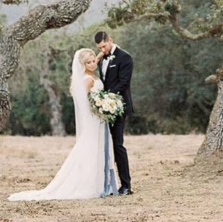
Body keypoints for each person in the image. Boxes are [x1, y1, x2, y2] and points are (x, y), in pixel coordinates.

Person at [8, 48, 119, 201]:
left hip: (99, 120)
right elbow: (83, 101)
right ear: (83, 64)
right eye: (89, 62)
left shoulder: (91, 74)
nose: (93, 64)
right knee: (91, 148)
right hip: (94, 119)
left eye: (94, 61)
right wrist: (97, 109)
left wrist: (100, 53)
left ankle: (100, 182)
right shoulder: (87, 79)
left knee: (99, 148)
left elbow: (94, 65)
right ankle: (91, 184)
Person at [95, 31, 134, 195]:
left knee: (118, 145)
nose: (102, 49)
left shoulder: (124, 57)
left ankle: (126, 185)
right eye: (99, 47)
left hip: (118, 107)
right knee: (104, 146)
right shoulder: (101, 58)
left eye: (104, 46)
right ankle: (106, 184)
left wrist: (106, 98)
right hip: (104, 108)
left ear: (110, 40)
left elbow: (123, 83)